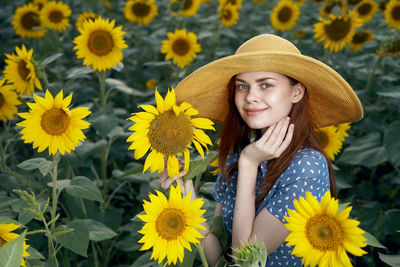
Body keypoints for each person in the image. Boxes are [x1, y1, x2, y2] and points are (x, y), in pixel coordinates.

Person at [159, 34, 363, 266]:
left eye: (266, 85)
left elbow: (243, 259)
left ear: (296, 92)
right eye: (242, 86)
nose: (250, 97)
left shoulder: (307, 166)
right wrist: (184, 191)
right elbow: (217, 257)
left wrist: (249, 164)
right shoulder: (238, 156)